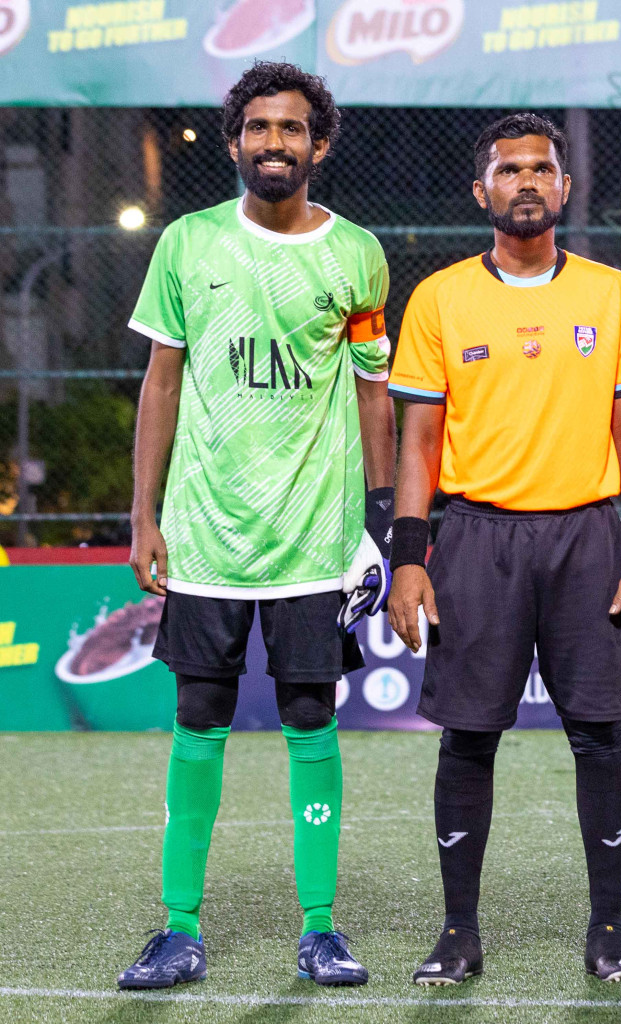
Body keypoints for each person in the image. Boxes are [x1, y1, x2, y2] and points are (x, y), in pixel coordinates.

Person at [119, 61, 394, 989]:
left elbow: (373, 395)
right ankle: (178, 928)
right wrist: (144, 514)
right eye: (258, 128)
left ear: (320, 143)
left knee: (310, 718)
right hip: (204, 535)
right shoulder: (187, 245)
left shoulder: (356, 254)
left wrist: (379, 523)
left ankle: (320, 927)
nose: (274, 143)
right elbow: (161, 382)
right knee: (199, 718)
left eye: (293, 128)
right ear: (235, 140)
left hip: (313, 537)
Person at [386, 113, 621, 986]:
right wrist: (408, 556)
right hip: (475, 538)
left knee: (600, 733)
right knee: (468, 738)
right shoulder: (438, 298)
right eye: (509, 170)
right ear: (483, 192)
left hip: (588, 537)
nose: (527, 181)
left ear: (566, 185)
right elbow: (418, 443)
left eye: (542, 167)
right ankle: (459, 932)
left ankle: (609, 928)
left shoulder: (610, 293)